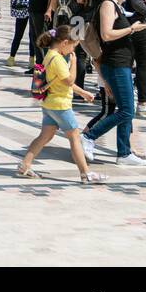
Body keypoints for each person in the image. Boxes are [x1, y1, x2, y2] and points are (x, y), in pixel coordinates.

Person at [80, 0, 146, 166]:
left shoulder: (119, 5)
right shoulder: (108, 4)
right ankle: (88, 136)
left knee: (125, 109)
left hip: (122, 63)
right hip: (114, 63)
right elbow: (106, 34)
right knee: (127, 110)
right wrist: (131, 29)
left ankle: (124, 152)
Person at [16, 25, 106, 183]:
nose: (72, 50)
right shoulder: (57, 59)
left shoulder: (50, 55)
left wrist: (83, 93)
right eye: (72, 46)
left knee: (45, 136)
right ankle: (86, 173)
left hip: (49, 104)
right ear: (64, 43)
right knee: (75, 138)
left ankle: (25, 165)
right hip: (60, 106)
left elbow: (64, 82)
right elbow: (70, 80)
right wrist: (74, 63)